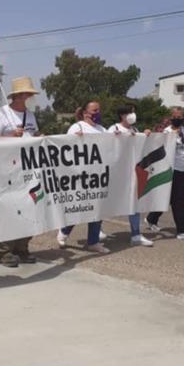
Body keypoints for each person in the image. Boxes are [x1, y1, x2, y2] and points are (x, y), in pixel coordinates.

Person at [0, 76, 41, 267]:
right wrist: (9, 135)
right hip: (7, 169)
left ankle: (22, 248)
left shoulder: (31, 115)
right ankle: (4, 251)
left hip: (27, 169)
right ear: (19, 96)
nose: (31, 97)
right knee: (8, 209)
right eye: (28, 94)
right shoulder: (2, 114)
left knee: (28, 208)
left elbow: (32, 137)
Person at [145, 106, 184, 241]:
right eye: (175, 116)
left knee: (169, 197)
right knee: (179, 198)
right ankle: (182, 230)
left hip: (182, 169)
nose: (177, 119)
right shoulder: (166, 132)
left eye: (180, 117)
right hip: (170, 169)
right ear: (171, 117)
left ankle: (152, 218)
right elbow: (157, 148)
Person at [56, 101, 109, 254]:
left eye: (99, 109)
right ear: (85, 113)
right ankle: (64, 231)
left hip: (98, 175)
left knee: (97, 209)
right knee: (79, 207)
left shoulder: (101, 129)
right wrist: (75, 139)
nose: (98, 113)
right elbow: (66, 147)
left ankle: (93, 241)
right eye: (94, 110)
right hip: (81, 176)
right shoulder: (77, 127)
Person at [108, 104, 154, 247]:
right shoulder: (114, 129)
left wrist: (145, 136)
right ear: (123, 115)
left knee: (134, 201)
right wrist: (117, 138)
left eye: (134, 112)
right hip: (116, 172)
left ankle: (136, 234)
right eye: (131, 112)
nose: (134, 115)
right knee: (106, 201)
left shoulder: (135, 130)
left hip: (131, 172)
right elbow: (107, 146)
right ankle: (96, 231)